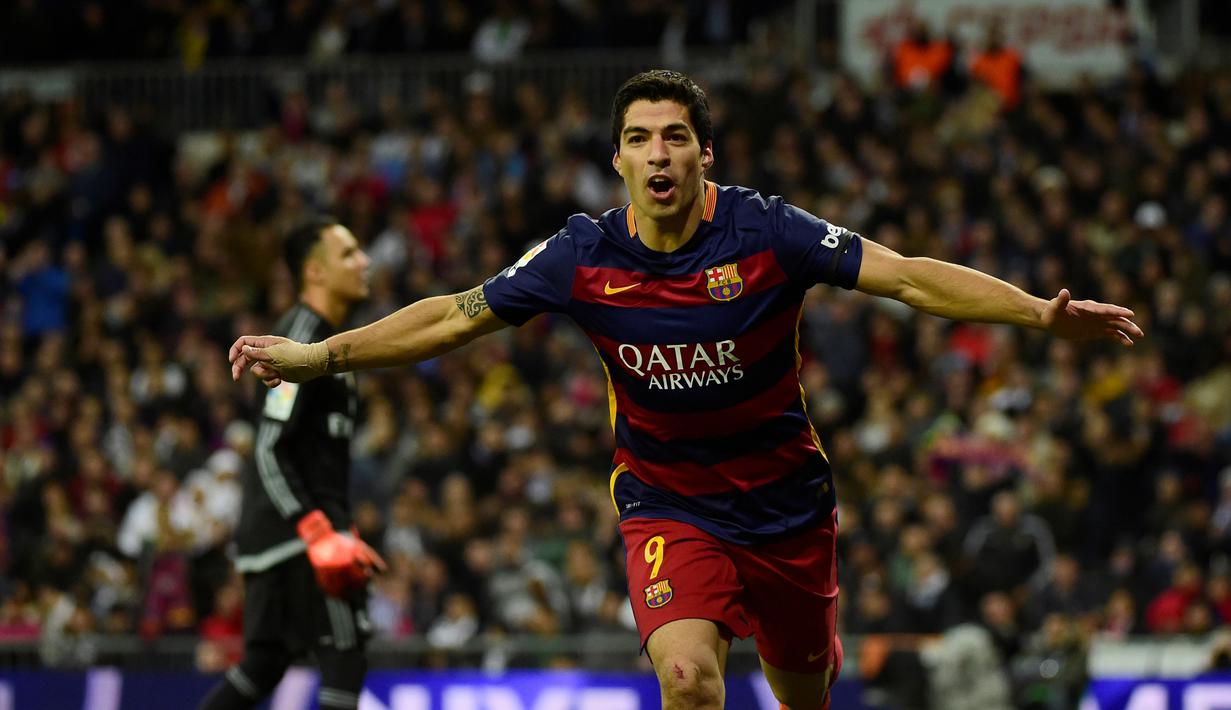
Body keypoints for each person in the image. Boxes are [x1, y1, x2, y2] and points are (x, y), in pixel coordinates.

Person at [228, 71, 1142, 710]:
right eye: (637, 139)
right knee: (687, 683)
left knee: (802, 690)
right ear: (618, 161)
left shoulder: (767, 230)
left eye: (673, 136)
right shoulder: (579, 254)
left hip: (787, 507)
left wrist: (1034, 314)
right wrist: (320, 357)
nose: (656, 152)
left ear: (703, 154)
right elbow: (454, 316)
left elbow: (904, 277)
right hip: (668, 502)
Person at [200, 218, 386, 710]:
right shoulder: (301, 340)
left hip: (279, 537)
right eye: (348, 253)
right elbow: (267, 446)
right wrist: (318, 529)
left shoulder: (330, 344)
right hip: (300, 539)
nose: (363, 261)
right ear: (315, 272)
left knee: (263, 665)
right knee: (346, 656)